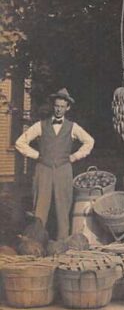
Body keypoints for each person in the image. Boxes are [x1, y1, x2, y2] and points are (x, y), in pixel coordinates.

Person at [15, 88, 94, 240]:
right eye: (57, 106)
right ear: (53, 106)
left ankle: (62, 242)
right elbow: (20, 143)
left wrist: (74, 156)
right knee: (40, 206)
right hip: (43, 169)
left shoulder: (72, 127)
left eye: (62, 107)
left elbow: (89, 141)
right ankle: (35, 242)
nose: (59, 109)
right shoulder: (41, 125)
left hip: (64, 169)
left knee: (63, 207)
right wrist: (37, 155)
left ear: (67, 108)